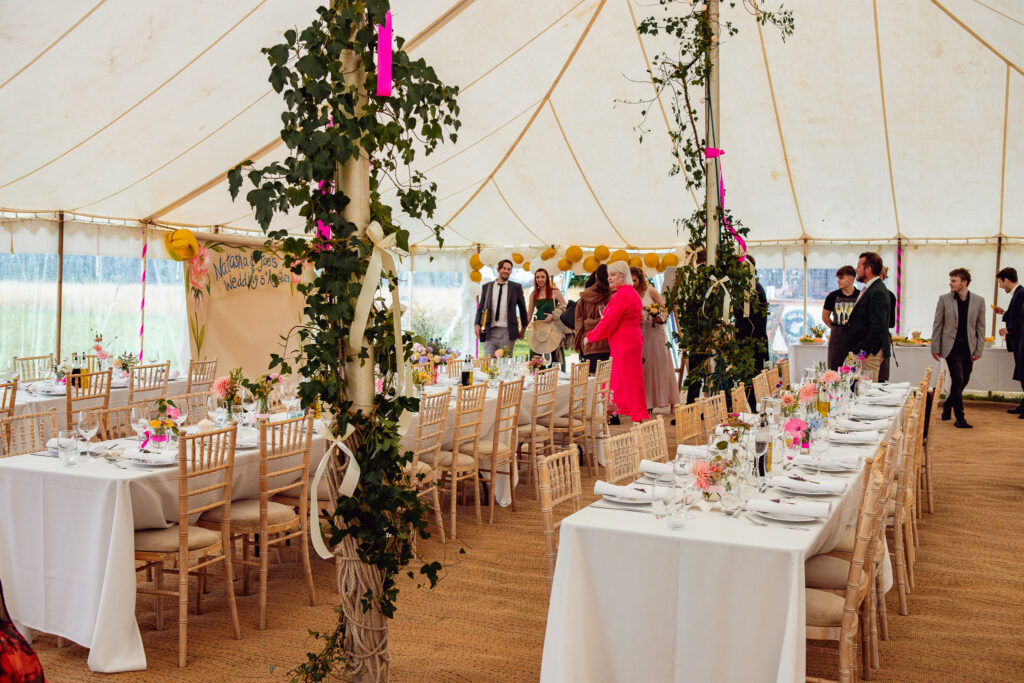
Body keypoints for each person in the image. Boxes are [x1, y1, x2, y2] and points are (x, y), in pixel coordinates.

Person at [585, 261, 649, 423]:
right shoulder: (631, 292)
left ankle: (611, 412)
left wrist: (590, 336)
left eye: (613, 275)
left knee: (616, 380)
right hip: (631, 341)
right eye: (609, 275)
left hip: (624, 343)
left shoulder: (621, 295)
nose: (609, 278)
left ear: (623, 276)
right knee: (631, 380)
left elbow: (608, 322)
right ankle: (636, 415)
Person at [930, 267, 986, 428]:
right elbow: (937, 324)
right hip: (951, 347)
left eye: (954, 281)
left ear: (964, 282)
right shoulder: (944, 299)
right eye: (950, 280)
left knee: (964, 380)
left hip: (969, 346)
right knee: (958, 379)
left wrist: (979, 349)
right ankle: (960, 417)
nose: (950, 283)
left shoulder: (979, 301)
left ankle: (948, 404)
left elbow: (981, 327)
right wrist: (935, 347)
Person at [631, 267, 679, 412]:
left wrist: (660, 318)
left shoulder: (650, 290)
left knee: (661, 364)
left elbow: (664, 308)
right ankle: (648, 402)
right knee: (645, 367)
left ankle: (671, 400)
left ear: (640, 279)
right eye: (630, 281)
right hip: (640, 332)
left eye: (635, 280)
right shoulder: (630, 292)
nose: (633, 283)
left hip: (655, 331)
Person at [844, 252, 892, 381]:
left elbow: (878, 326)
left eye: (859, 266)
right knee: (855, 386)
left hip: (869, 353)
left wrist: (863, 352)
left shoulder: (877, 291)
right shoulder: (871, 288)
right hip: (862, 349)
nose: (856, 270)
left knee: (866, 388)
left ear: (868, 269)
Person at [474, 259, 528, 358]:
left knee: (506, 361)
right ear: (498, 269)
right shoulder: (487, 287)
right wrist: (477, 324)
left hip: (508, 331)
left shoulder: (516, 287)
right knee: (488, 361)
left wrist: (523, 329)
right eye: (504, 268)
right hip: (489, 331)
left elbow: (522, 309)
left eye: (509, 269)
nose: (506, 271)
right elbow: (481, 307)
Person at [993, 267, 1024, 417]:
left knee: (1023, 372)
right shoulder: (1018, 293)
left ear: (1006, 280)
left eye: (1000, 283)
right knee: (1022, 373)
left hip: (1021, 341)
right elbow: (1016, 314)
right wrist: (1004, 313)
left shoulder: (1021, 293)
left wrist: (1009, 329)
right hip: (1019, 341)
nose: (1000, 286)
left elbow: (1021, 318)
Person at [733, 256, 770, 373]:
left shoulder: (751, 290)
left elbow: (742, 317)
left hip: (750, 344)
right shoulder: (755, 287)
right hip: (755, 342)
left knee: (751, 376)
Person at [574, 264, 612, 373]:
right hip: (608, 343)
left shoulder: (584, 297)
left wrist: (579, 344)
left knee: (589, 380)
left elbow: (578, 323)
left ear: (595, 276)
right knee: (607, 380)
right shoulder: (614, 295)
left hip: (588, 343)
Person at [526, 268, 568, 362]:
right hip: (539, 330)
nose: (540, 279)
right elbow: (529, 314)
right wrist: (523, 328)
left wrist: (553, 316)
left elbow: (565, 308)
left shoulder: (555, 292)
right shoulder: (533, 294)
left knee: (553, 357)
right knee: (537, 357)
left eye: (542, 277)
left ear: (547, 278)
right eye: (537, 277)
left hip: (553, 330)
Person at [823, 265, 859, 370]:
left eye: (841, 278)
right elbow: (825, 317)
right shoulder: (832, 296)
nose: (838, 281)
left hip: (855, 337)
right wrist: (836, 328)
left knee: (855, 368)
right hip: (837, 338)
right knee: (834, 367)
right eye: (838, 278)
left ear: (851, 279)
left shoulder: (861, 295)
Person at [877, 266, 899, 382]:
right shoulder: (890, 294)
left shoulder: (883, 294)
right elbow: (891, 323)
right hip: (884, 339)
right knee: (881, 377)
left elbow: (890, 323)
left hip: (877, 342)